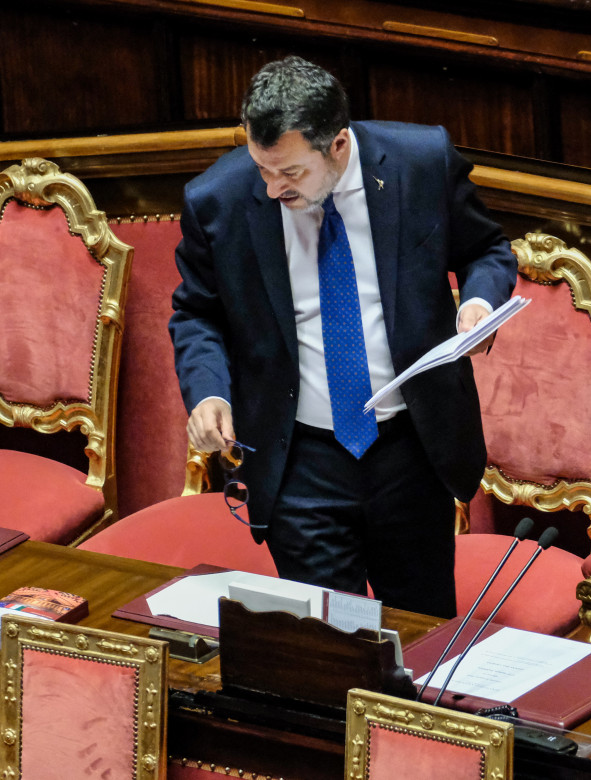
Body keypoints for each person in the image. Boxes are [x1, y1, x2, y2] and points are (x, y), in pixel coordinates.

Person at [169, 55, 517, 618]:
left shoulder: (419, 163)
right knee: (328, 648)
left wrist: (479, 304)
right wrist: (209, 391)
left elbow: (486, 250)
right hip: (300, 459)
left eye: (291, 173)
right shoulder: (219, 199)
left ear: (337, 145)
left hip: (411, 448)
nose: (272, 187)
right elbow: (196, 313)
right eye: (262, 168)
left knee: (420, 632)